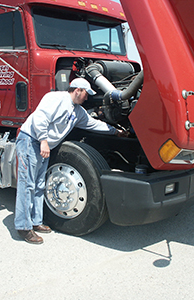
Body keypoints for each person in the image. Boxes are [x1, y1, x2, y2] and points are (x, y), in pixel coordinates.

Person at [14, 78, 126, 244]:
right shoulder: (56, 98)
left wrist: (115, 131)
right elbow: (40, 118)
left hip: (43, 145)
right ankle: (23, 227)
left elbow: (93, 124)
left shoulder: (77, 111)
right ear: (78, 90)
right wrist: (44, 141)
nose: (87, 98)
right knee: (27, 184)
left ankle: (36, 222)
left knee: (39, 185)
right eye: (86, 94)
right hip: (31, 141)